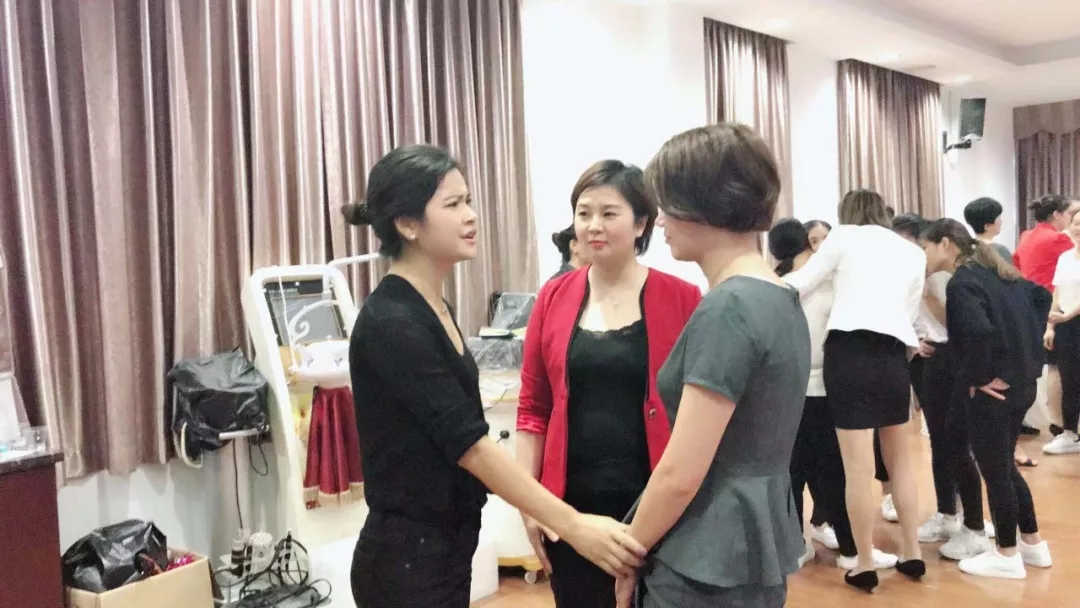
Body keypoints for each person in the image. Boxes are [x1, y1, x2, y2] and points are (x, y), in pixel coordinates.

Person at [344, 144, 645, 608]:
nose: (470, 216)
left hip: (445, 548)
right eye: (453, 204)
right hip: (406, 559)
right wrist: (571, 524)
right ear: (408, 225)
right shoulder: (392, 321)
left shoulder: (432, 305)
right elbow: (472, 446)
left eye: (468, 200)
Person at [614, 123, 809, 608]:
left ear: (703, 203)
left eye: (667, 206)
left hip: (705, 554)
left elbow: (681, 472)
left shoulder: (730, 307)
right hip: (750, 546)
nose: (660, 221)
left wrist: (628, 552)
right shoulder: (780, 296)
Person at [517, 160, 702, 608]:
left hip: (656, 506)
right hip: (571, 511)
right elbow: (533, 408)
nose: (593, 226)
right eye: (584, 213)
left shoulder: (683, 298)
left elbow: (695, 415)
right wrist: (530, 505)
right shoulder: (554, 296)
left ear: (641, 223)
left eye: (608, 213)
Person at [784, 190, 925, 593]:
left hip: (849, 355)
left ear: (845, 213)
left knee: (858, 469)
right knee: (900, 463)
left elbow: (799, 283)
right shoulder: (911, 251)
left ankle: (863, 562)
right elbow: (910, 312)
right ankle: (912, 551)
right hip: (894, 355)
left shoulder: (842, 237)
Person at [920, 218, 1053, 579]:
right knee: (1004, 466)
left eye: (925, 247)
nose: (923, 255)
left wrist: (977, 378)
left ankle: (1007, 554)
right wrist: (1026, 348)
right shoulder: (999, 273)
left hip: (996, 389)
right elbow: (1042, 297)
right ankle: (1033, 544)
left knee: (995, 471)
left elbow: (977, 331)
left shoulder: (963, 282)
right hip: (1021, 383)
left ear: (945, 244)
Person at [769, 219, 857, 570]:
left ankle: (797, 542)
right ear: (807, 244)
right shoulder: (824, 285)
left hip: (785, 391)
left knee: (793, 470)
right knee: (832, 469)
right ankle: (850, 547)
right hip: (821, 390)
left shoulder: (775, 286)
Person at [1015, 195, 1074, 457]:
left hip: (1030, 306)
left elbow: (1017, 266)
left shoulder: (1026, 236)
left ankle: (1055, 421)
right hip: (1055, 308)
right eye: (1071, 215)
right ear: (1058, 215)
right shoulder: (1060, 241)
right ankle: (1063, 424)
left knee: (1050, 367)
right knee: (1061, 368)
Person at [1043, 210, 1080, 455]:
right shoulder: (1065, 257)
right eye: (1076, 223)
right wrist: (1050, 326)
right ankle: (1070, 434)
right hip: (1065, 324)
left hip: (1072, 318)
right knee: (1069, 380)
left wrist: (1067, 316)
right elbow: (1057, 292)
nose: (1078, 228)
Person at [964, 197, 1013, 263]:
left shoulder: (966, 251)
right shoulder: (1000, 251)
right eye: (998, 218)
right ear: (987, 226)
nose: (1001, 221)